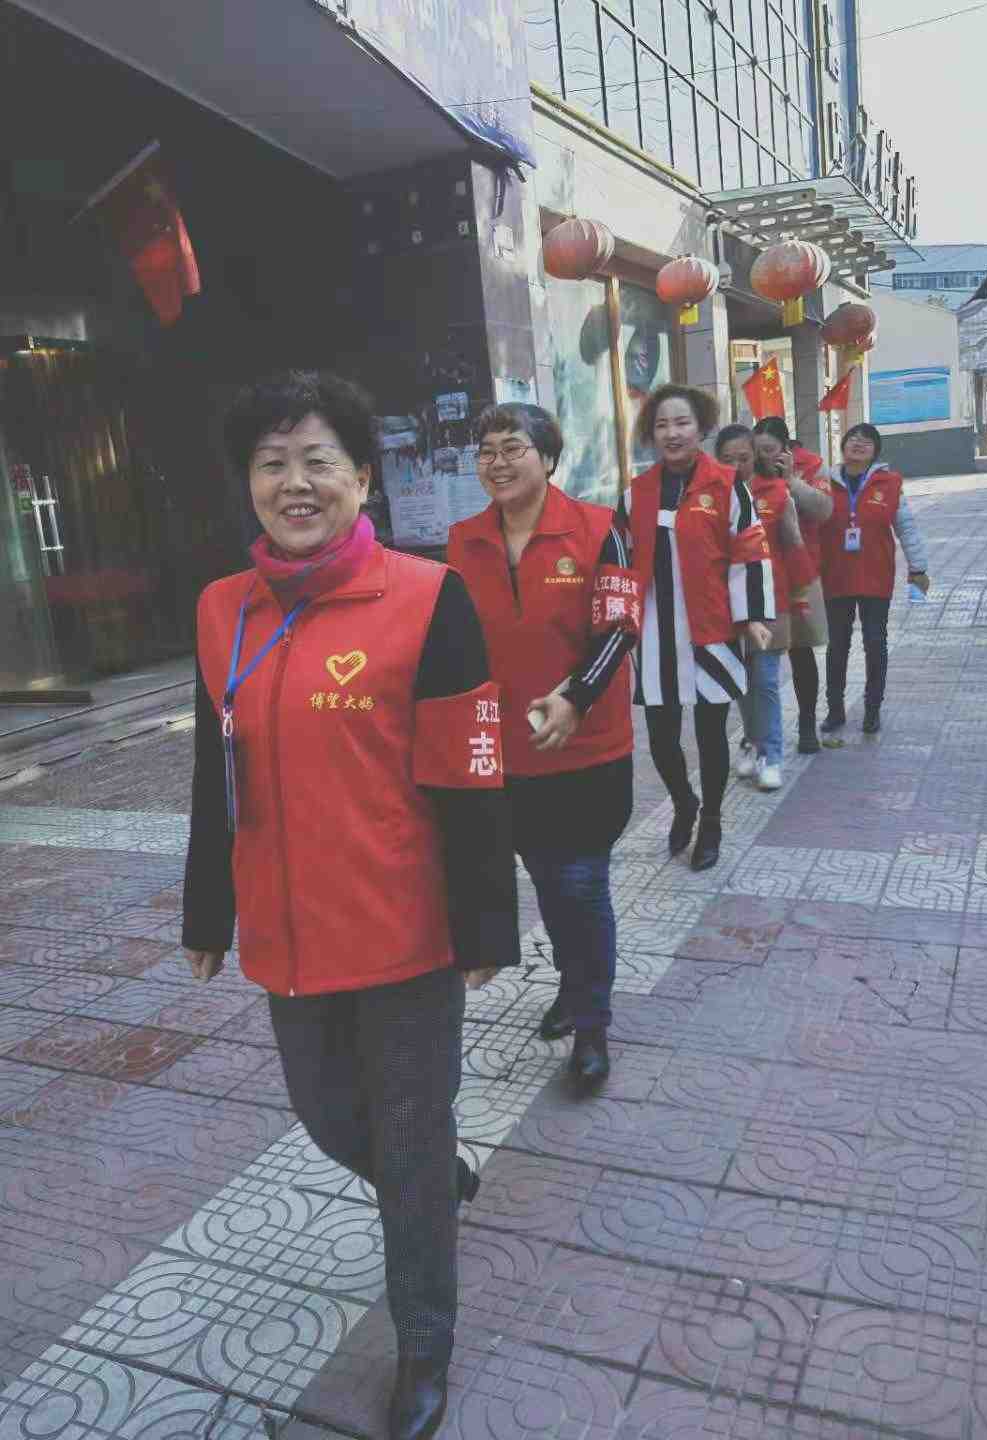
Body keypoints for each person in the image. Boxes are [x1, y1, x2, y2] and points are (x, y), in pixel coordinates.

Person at [182, 371, 519, 1440]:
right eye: (272, 463)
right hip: (288, 934)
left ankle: (425, 1341)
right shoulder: (222, 610)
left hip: (403, 934)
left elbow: (472, 770)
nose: (295, 483)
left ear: (364, 479)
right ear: (248, 483)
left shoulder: (427, 597)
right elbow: (213, 768)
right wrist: (207, 912)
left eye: (318, 461)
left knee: (407, 1139)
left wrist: (486, 922)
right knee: (329, 1116)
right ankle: (432, 1176)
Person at [449, 403, 636, 1089]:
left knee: (580, 885)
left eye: (513, 447)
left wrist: (576, 697)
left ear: (549, 458)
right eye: (486, 451)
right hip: (505, 756)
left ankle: (592, 1026)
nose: (497, 462)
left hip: (587, 755)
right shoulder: (462, 541)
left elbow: (620, 625)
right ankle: (573, 987)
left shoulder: (600, 528)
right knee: (549, 883)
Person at [618, 384, 774, 869]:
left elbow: (750, 550)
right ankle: (684, 802)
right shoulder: (635, 494)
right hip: (656, 635)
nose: (672, 433)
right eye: (662, 425)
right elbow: (617, 562)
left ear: (700, 428)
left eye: (681, 423)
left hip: (713, 629)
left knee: (711, 736)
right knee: (661, 739)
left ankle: (711, 822)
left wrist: (752, 616)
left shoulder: (727, 485)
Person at [717, 424, 813, 791]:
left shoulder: (776, 493)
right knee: (741, 683)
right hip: (727, 605)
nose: (736, 465)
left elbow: (794, 544)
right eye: (727, 459)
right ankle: (753, 742)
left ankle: (772, 756)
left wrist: (802, 595)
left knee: (766, 681)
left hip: (772, 602)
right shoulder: (710, 499)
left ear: (755, 456)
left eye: (743, 457)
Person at [819, 422, 930, 736]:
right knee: (837, 645)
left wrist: (918, 568)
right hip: (835, 576)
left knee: (875, 642)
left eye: (866, 441)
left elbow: (906, 527)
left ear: (875, 451)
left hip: (875, 577)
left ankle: (872, 710)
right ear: (843, 445)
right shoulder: (823, 482)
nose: (858, 443)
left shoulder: (889, 483)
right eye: (853, 438)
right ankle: (835, 710)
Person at [753, 417, 833, 753]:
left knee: (801, 650)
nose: (764, 457)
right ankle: (756, 732)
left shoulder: (812, 466)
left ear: (785, 447)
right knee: (759, 656)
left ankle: (807, 723)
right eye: (758, 450)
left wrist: (791, 482)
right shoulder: (748, 473)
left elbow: (824, 510)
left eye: (770, 449)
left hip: (801, 571)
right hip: (761, 574)